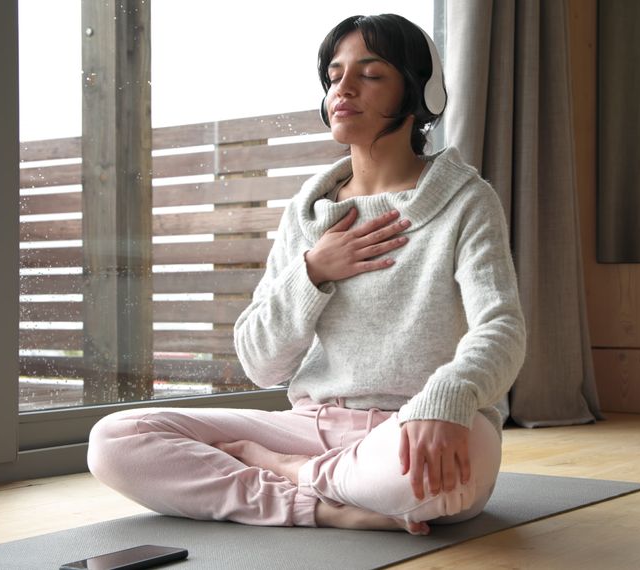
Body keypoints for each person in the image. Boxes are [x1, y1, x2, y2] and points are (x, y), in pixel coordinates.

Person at [87, 13, 526, 535]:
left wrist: (447, 395)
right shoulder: (308, 213)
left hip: (413, 424)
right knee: (116, 439)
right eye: (335, 75)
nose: (343, 88)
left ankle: (288, 476)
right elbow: (259, 363)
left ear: (418, 94)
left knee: (447, 470)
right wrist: (313, 272)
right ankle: (318, 506)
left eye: (370, 74)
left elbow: (501, 328)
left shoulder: (465, 200)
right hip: (309, 424)